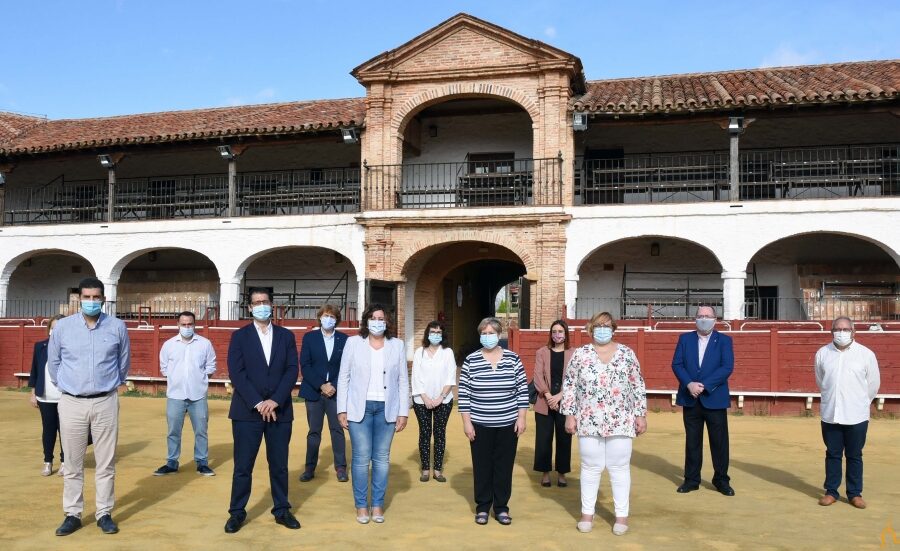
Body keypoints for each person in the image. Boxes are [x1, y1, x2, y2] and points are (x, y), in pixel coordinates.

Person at [48, 277, 131, 536]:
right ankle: (72, 513)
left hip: (106, 400)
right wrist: (68, 385)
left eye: (96, 298)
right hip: (72, 401)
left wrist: (110, 384)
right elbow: (54, 363)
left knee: (106, 462)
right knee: (73, 462)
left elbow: (123, 362)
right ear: (79, 299)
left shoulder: (117, 327)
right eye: (87, 297)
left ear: (104, 300)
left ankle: (104, 512)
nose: (91, 302)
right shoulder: (63, 328)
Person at [561, 312, 647, 535]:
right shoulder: (580, 355)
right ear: (590, 328)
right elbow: (569, 385)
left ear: (614, 328)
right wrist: (570, 414)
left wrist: (640, 414)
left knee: (619, 467)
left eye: (607, 325)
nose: (602, 329)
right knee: (590, 467)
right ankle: (586, 514)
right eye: (598, 325)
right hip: (588, 418)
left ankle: (621, 517)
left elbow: (637, 385)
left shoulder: (627, 354)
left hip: (620, 418)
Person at [224, 288, 300, 533]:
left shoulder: (285, 336)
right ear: (249, 308)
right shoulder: (239, 336)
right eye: (256, 303)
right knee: (243, 466)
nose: (261, 306)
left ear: (272, 304)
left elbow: (291, 370)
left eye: (265, 302)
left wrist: (275, 400)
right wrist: (259, 402)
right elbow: (237, 373)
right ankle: (237, 512)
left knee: (279, 464)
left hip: (280, 411)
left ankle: (281, 509)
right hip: (247, 412)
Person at [337, 303, 408, 524]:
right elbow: (343, 377)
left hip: (387, 408)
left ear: (387, 322)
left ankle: (377, 505)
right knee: (360, 458)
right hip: (360, 408)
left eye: (381, 318)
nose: (377, 321)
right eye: (374, 317)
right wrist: (342, 408)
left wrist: (403, 411)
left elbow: (403, 380)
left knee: (381, 459)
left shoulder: (397, 345)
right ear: (366, 320)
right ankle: (361, 506)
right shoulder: (353, 343)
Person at [458, 317, 528, 526]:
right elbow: (464, 394)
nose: (487, 337)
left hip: (508, 423)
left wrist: (521, 417)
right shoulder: (471, 360)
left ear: (499, 335)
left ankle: (501, 508)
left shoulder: (513, 359)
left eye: (491, 333)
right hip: (480, 423)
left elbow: (522, 390)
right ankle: (482, 507)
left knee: (503, 467)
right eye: (484, 333)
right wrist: (467, 422)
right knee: (482, 467)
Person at [814, 316, 880, 509]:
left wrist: (859, 402)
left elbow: (873, 385)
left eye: (845, 329)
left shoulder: (866, 354)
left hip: (856, 414)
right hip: (831, 412)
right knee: (833, 454)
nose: (841, 332)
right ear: (831, 331)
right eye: (837, 329)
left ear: (853, 332)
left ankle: (854, 493)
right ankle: (831, 492)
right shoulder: (822, 353)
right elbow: (821, 380)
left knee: (854, 455)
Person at [671, 305, 735, 496]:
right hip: (690, 397)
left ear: (715, 319)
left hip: (714, 397)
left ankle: (721, 480)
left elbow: (727, 367)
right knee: (692, 441)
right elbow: (677, 364)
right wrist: (689, 384)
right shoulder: (685, 339)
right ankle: (691, 480)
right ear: (695, 319)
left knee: (719, 442)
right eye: (700, 316)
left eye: (708, 316)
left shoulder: (724, 340)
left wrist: (704, 385)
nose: (704, 319)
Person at [154, 311, 217, 477]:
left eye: (190, 324)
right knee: (173, 431)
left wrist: (200, 380)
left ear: (194, 324)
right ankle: (172, 462)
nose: (187, 327)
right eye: (184, 324)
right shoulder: (169, 345)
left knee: (201, 431)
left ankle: (202, 462)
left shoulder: (205, 344)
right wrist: (176, 380)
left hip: (198, 395)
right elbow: (164, 368)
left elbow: (211, 366)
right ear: (178, 325)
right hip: (175, 394)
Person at [298, 304, 349, 483]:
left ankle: (341, 467)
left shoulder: (344, 339)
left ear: (337, 320)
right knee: (314, 431)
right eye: (326, 316)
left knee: (337, 429)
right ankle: (309, 468)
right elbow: (305, 365)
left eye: (332, 317)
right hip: (314, 391)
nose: (329, 319)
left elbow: (347, 367)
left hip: (336, 392)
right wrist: (321, 385)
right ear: (320, 317)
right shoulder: (310, 337)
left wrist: (333, 385)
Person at [410, 320, 457, 483]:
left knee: (439, 433)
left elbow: (451, 378)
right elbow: (415, 377)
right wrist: (425, 398)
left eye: (438, 332)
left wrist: (439, 398)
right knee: (424, 433)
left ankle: (437, 469)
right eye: (432, 332)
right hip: (421, 400)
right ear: (427, 334)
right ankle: (425, 469)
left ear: (442, 334)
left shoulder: (448, 352)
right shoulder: (419, 352)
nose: (435, 335)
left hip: (443, 400)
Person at [533, 319, 574, 488]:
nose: (557, 335)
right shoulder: (542, 352)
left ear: (566, 334)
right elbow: (537, 376)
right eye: (554, 331)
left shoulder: (574, 353)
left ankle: (562, 473)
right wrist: (549, 396)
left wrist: (559, 397)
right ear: (550, 334)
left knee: (564, 439)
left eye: (560, 332)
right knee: (544, 439)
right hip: (544, 401)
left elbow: (575, 379)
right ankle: (545, 473)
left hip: (565, 402)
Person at [28, 315, 65, 476]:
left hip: (65, 397)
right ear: (49, 329)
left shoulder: (70, 348)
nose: (55, 331)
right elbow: (35, 370)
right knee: (48, 430)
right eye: (53, 328)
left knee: (65, 431)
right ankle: (48, 461)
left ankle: (65, 462)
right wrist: (33, 393)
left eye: (59, 328)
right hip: (45, 396)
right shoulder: (40, 346)